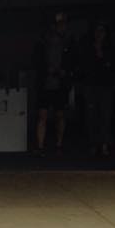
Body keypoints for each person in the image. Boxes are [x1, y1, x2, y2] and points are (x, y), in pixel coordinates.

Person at [34, 11, 75, 155]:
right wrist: (47, 70)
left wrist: (65, 72)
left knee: (60, 115)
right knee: (42, 115)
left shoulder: (68, 43)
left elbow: (72, 63)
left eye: (63, 24)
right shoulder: (43, 42)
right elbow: (37, 62)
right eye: (59, 24)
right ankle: (40, 146)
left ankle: (59, 144)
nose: (61, 27)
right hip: (45, 83)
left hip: (60, 84)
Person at [77, 21, 115, 157]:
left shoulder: (110, 49)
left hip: (106, 86)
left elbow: (114, 67)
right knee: (91, 116)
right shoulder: (88, 48)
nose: (99, 34)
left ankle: (104, 144)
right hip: (91, 86)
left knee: (105, 116)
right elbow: (84, 66)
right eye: (97, 31)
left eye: (102, 31)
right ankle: (93, 144)